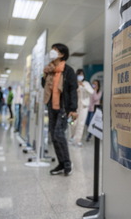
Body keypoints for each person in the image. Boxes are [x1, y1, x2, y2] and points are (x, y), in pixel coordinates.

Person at [42, 43, 78, 176]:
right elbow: (44, 86)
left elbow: (72, 90)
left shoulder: (68, 71)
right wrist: (45, 75)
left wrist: (73, 109)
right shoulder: (50, 70)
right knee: (53, 135)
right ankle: (61, 163)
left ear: (62, 54)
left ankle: (68, 163)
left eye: (55, 50)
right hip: (52, 106)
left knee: (58, 134)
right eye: (52, 49)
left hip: (64, 107)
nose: (52, 52)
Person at [70, 69, 94, 147]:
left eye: (81, 74)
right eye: (78, 74)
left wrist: (83, 86)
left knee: (81, 123)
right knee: (73, 123)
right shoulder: (74, 83)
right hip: (75, 106)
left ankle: (78, 140)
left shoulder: (86, 83)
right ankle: (72, 136)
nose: (80, 76)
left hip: (84, 106)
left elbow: (92, 92)